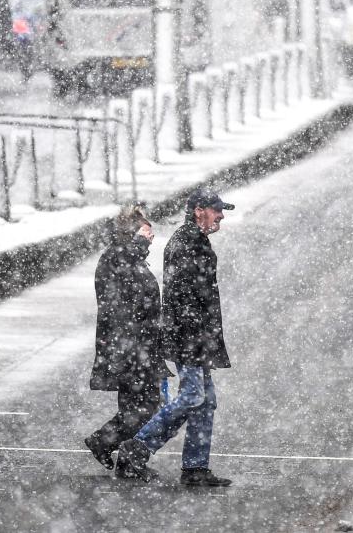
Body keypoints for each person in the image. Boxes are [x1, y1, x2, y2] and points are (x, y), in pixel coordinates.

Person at [115, 188, 234, 487]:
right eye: (216, 210)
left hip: (198, 336)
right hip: (189, 337)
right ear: (199, 211)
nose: (221, 215)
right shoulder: (185, 243)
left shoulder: (196, 241)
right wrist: (195, 334)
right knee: (193, 396)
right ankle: (135, 450)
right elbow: (181, 297)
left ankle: (195, 468)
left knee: (205, 401)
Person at [83, 206, 165, 470]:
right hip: (127, 347)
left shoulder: (127, 258)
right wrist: (140, 241)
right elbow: (126, 279)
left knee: (141, 405)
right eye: (146, 236)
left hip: (137, 344)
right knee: (144, 405)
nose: (150, 242)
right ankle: (103, 442)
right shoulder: (116, 257)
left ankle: (124, 460)